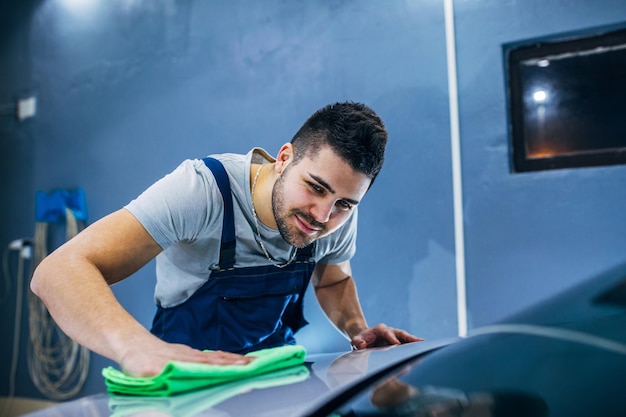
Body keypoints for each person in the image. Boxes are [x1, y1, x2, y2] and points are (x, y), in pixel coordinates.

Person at [31, 102, 422, 377]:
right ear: (284, 158)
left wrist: (358, 330)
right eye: (315, 188)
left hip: (273, 371)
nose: (322, 216)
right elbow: (58, 271)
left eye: (344, 204)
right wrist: (135, 346)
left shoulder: (336, 213)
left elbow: (334, 279)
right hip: (187, 370)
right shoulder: (202, 190)